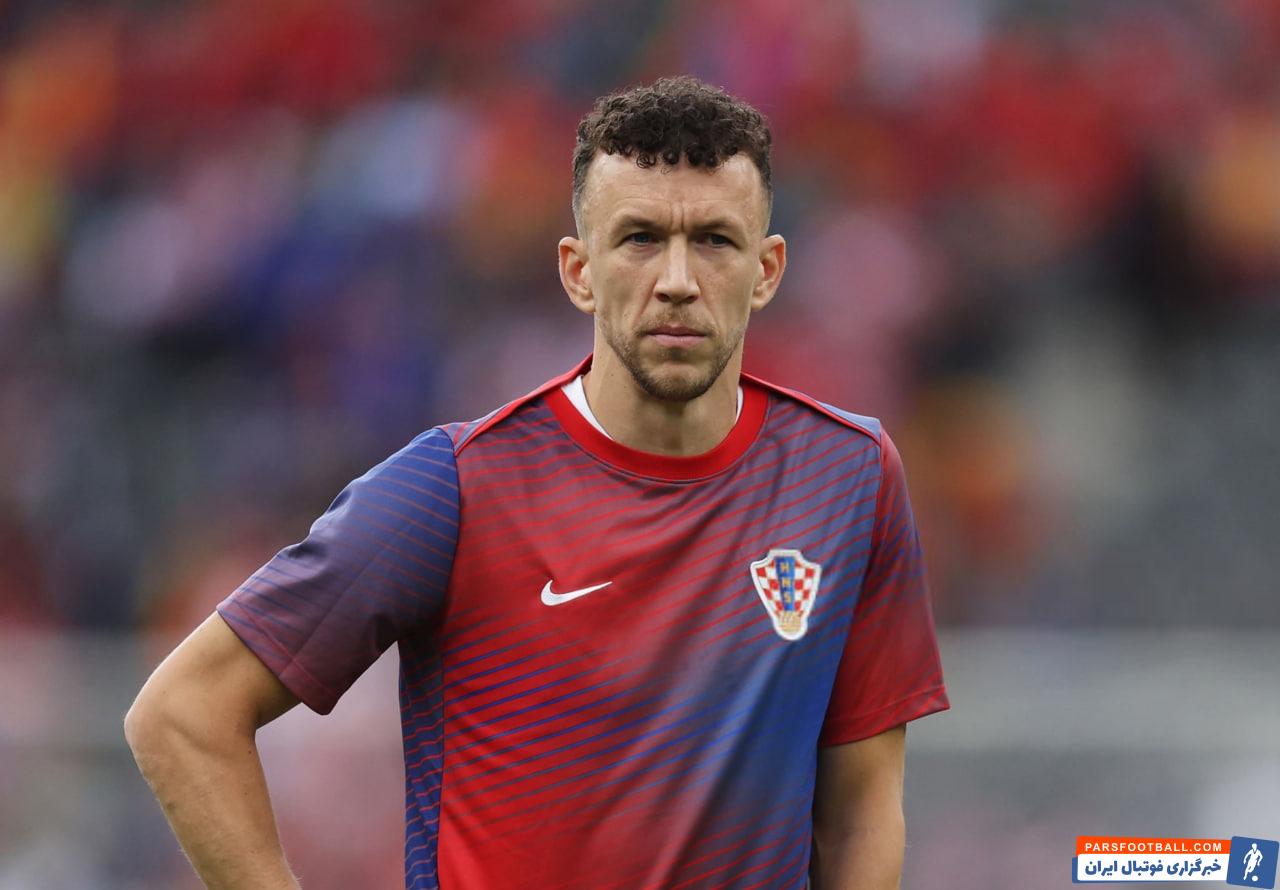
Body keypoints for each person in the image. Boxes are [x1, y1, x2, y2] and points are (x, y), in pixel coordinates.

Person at [125, 76, 950, 890]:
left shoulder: (849, 477)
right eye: (639, 239)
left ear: (766, 270)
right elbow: (183, 715)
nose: (677, 280)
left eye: (714, 241)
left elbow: (861, 807)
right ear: (578, 270)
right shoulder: (454, 488)